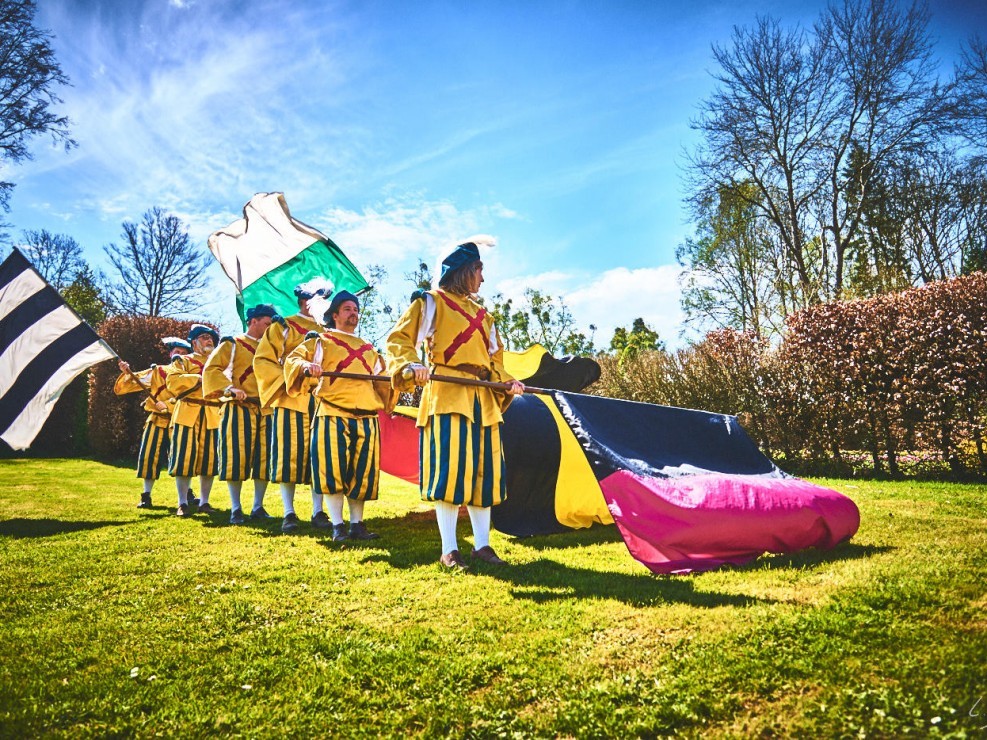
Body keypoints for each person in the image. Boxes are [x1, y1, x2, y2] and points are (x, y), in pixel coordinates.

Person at [386, 236, 524, 569]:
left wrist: (507, 382)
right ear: (463, 270)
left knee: (483, 473)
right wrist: (411, 365)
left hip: (481, 399)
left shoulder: (485, 316)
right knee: (450, 472)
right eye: (479, 269)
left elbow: (494, 361)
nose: (483, 278)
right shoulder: (430, 302)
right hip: (446, 394)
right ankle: (450, 548)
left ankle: (483, 546)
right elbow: (398, 340)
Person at [285, 291, 396, 542]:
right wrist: (306, 367)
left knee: (361, 475)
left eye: (355, 309)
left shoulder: (369, 350)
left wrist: (404, 376)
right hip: (332, 414)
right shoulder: (320, 342)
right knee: (332, 471)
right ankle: (337, 526)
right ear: (334, 315)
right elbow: (293, 360)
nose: (353, 313)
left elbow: (386, 379)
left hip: (366, 418)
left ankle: (357, 525)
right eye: (347, 308)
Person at [253, 279, 331, 533]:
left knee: (319, 456)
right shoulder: (284, 325)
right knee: (289, 455)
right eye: (319, 297)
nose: (324, 302)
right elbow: (264, 359)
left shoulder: (329, 330)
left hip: (321, 399)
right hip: (291, 398)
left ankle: (319, 511)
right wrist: (288, 381)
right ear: (304, 301)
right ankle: (289, 512)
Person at [203, 304, 276, 524]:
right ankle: (236, 508)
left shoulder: (272, 350)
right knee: (236, 457)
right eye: (266, 324)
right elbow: (212, 368)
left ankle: (258, 506)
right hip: (237, 408)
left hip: (265, 408)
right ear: (253, 321)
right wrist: (230, 388)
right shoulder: (232, 343)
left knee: (264, 459)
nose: (269, 329)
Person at [113, 337, 190, 508]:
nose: (180, 356)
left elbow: (191, 398)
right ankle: (146, 495)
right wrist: (126, 372)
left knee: (182, 458)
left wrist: (169, 404)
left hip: (179, 420)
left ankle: (187, 494)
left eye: (184, 354)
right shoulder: (157, 372)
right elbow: (127, 386)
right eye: (177, 352)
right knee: (148, 457)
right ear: (170, 354)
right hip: (156, 420)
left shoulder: (190, 376)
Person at [164, 324, 221, 517]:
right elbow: (172, 381)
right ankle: (182, 503)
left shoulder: (218, 363)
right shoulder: (183, 360)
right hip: (188, 412)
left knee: (209, 461)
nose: (209, 340)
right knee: (183, 458)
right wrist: (196, 378)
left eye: (211, 337)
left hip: (212, 414)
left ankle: (204, 502)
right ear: (194, 342)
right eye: (204, 337)